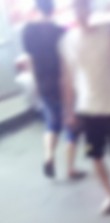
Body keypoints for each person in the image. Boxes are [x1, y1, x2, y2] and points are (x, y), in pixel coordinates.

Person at [60, 0, 110, 215]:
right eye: (76, 8)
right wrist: (69, 111)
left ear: (90, 9)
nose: (80, 12)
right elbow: (67, 77)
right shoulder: (67, 41)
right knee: (95, 155)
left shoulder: (108, 36)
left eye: (83, 7)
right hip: (87, 107)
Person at [22, 0, 84, 180]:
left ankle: (49, 157)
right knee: (71, 124)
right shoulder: (60, 32)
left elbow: (30, 60)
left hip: (43, 84)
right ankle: (70, 169)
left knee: (52, 123)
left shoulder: (28, 31)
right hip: (62, 83)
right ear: (53, 9)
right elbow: (68, 62)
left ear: (37, 9)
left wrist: (35, 84)